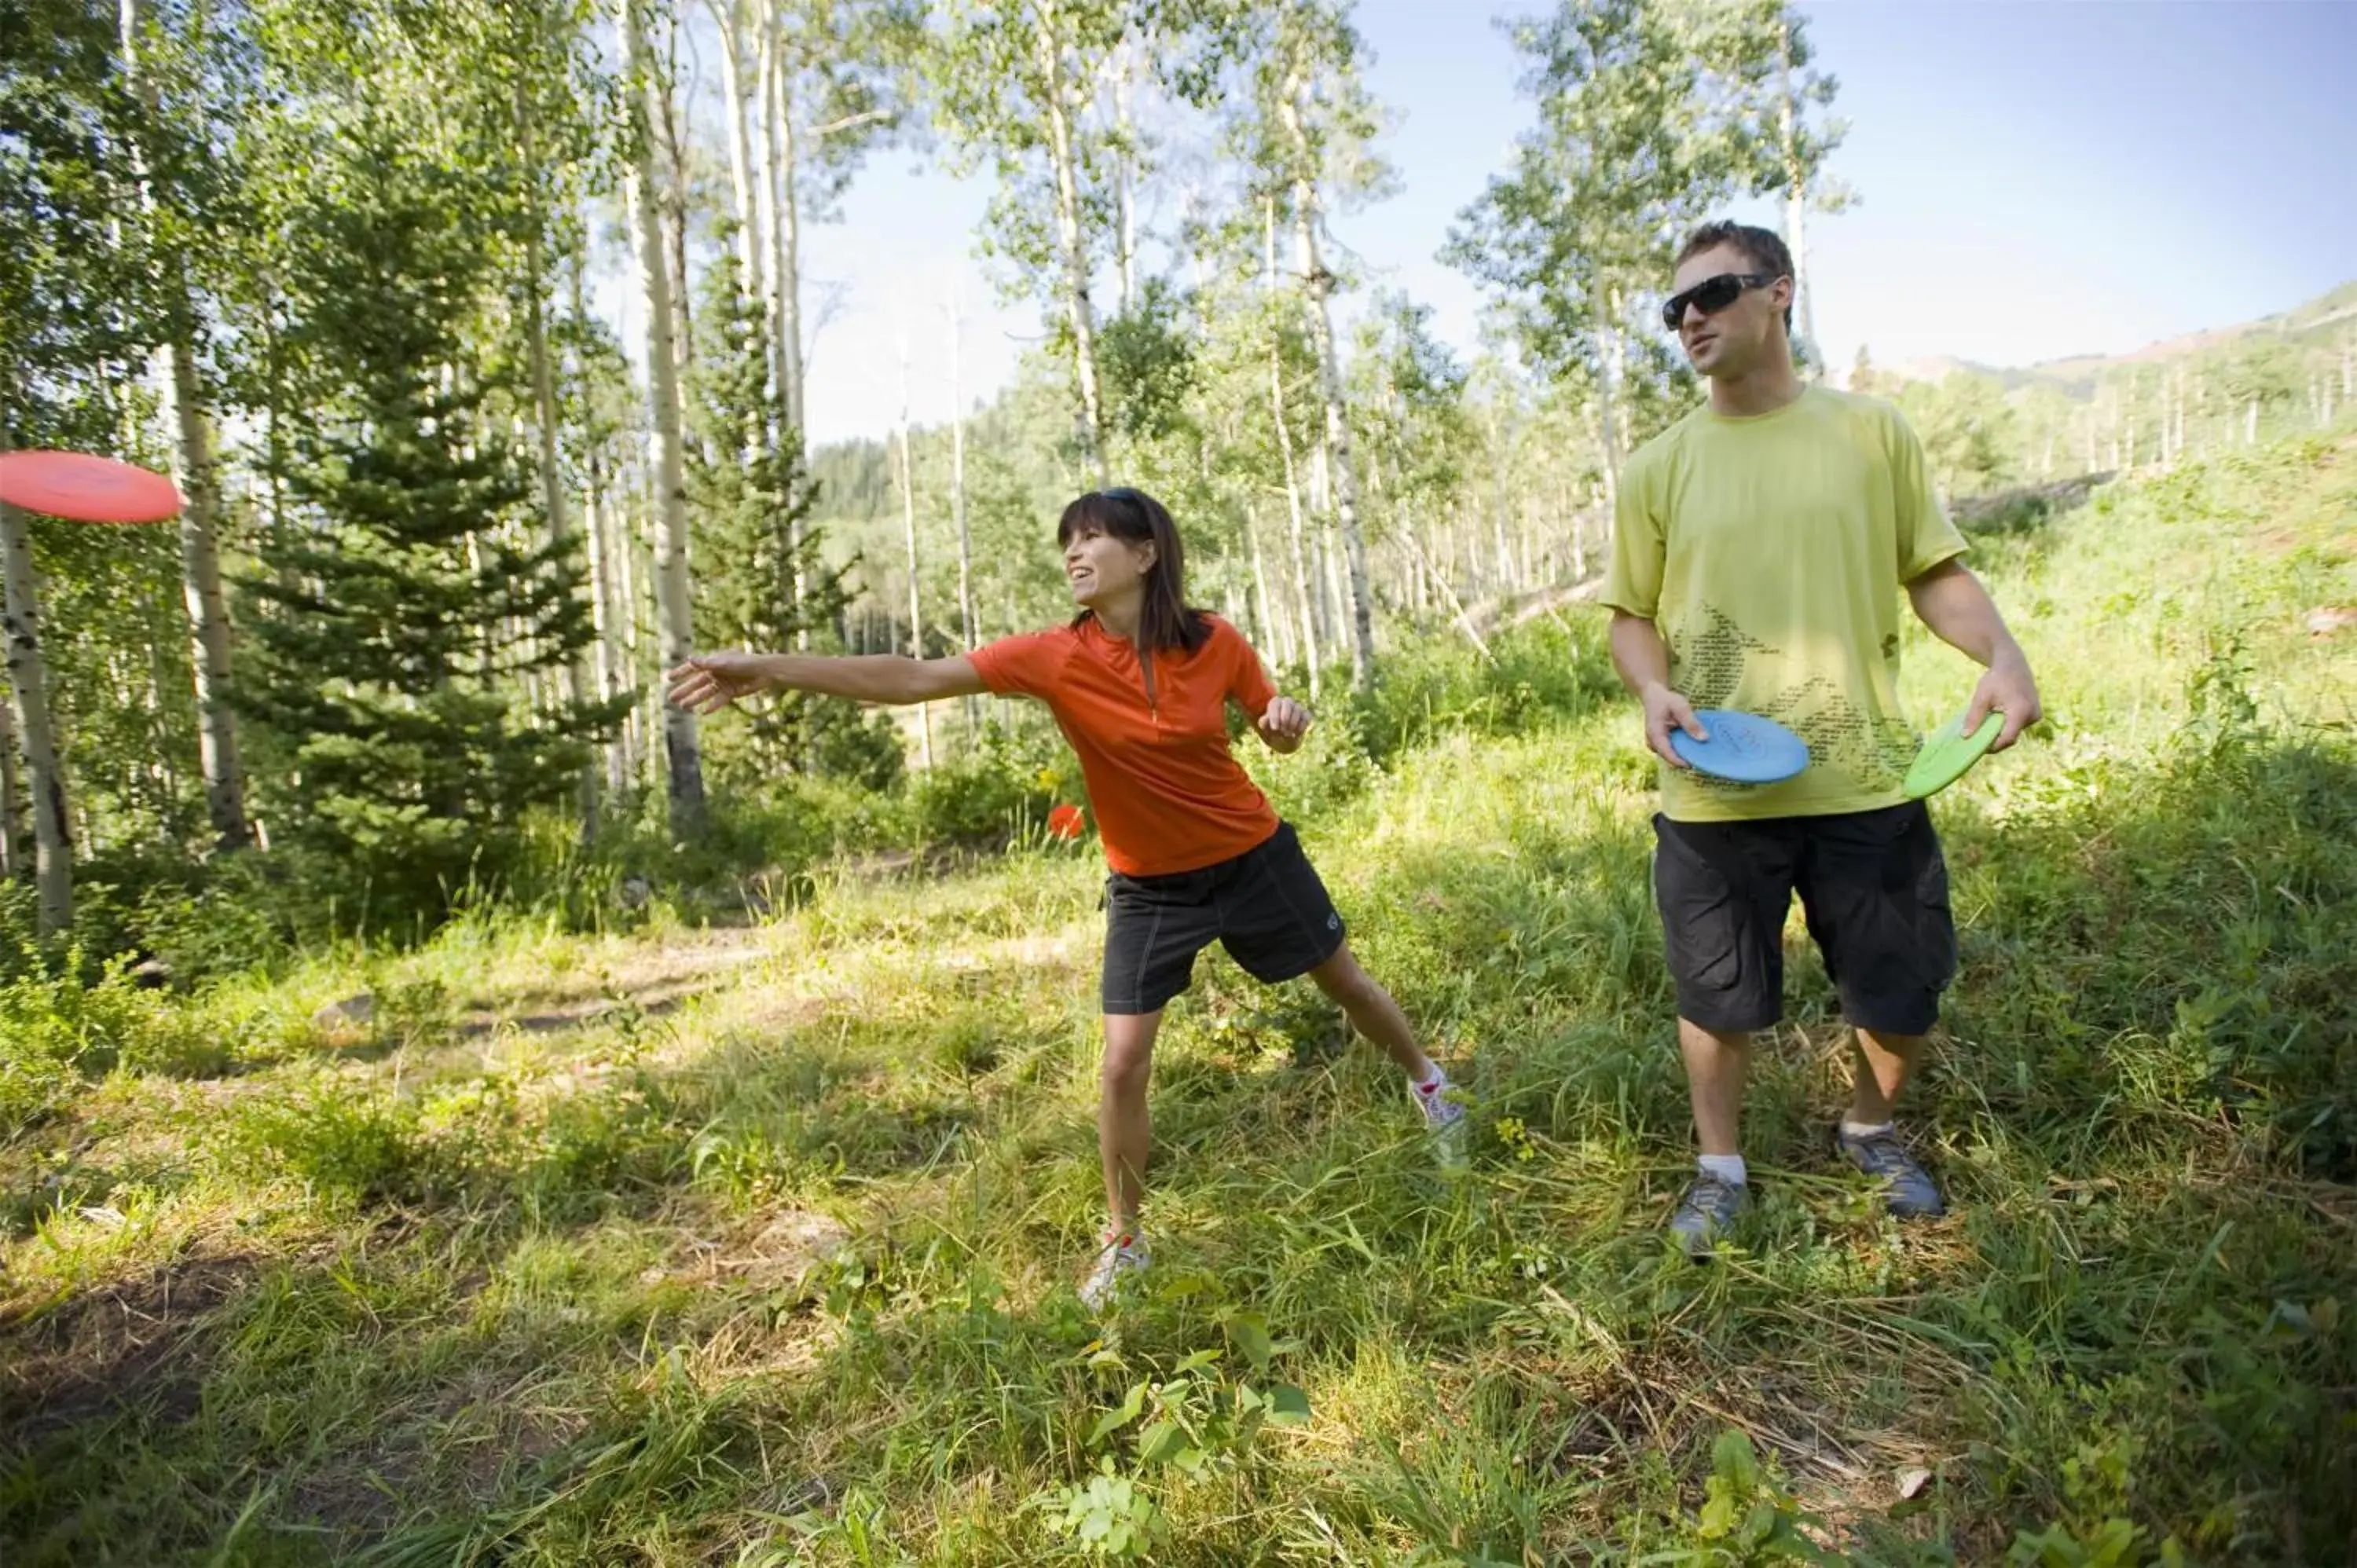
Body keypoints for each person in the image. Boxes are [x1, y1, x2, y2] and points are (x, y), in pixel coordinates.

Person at [667, 486, 1464, 1306]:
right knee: (1122, 1061)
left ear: (1147, 553)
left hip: (1253, 856)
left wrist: (1283, 723)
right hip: (1150, 889)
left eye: (1092, 539)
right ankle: (1127, 1238)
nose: (1075, 555)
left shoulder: (1215, 639)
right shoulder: (1054, 655)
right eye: (1067, 544)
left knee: (1347, 983)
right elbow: (910, 678)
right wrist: (768, 667)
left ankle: (1433, 1087)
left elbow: (1268, 717)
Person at [1601, 220, 2044, 1255]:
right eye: (1675, 309)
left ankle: (1872, 1126)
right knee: (1718, 998)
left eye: (1712, 294)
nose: (1691, 319)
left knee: (1903, 987)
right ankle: (1720, 1170)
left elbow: (1931, 570)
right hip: (1715, 787)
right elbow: (1630, 614)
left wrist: (2004, 655)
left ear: (1781, 293)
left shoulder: (1871, 433)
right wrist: (1653, 688)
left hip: (1868, 780)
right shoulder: (1660, 466)